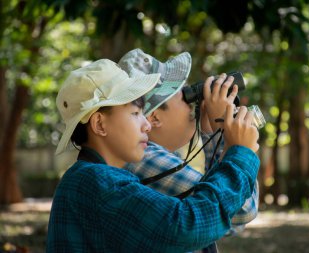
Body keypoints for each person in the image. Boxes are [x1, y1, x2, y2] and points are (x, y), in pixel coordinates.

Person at [47, 58, 260, 253]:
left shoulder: (96, 178)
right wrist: (240, 153)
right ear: (99, 124)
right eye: (135, 113)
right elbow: (186, 226)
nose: (147, 124)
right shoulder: (99, 183)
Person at [119, 49, 260, 252]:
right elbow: (241, 211)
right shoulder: (143, 159)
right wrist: (236, 145)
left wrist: (213, 133)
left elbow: (222, 221)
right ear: (154, 117)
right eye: (184, 94)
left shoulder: (160, 157)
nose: (192, 103)